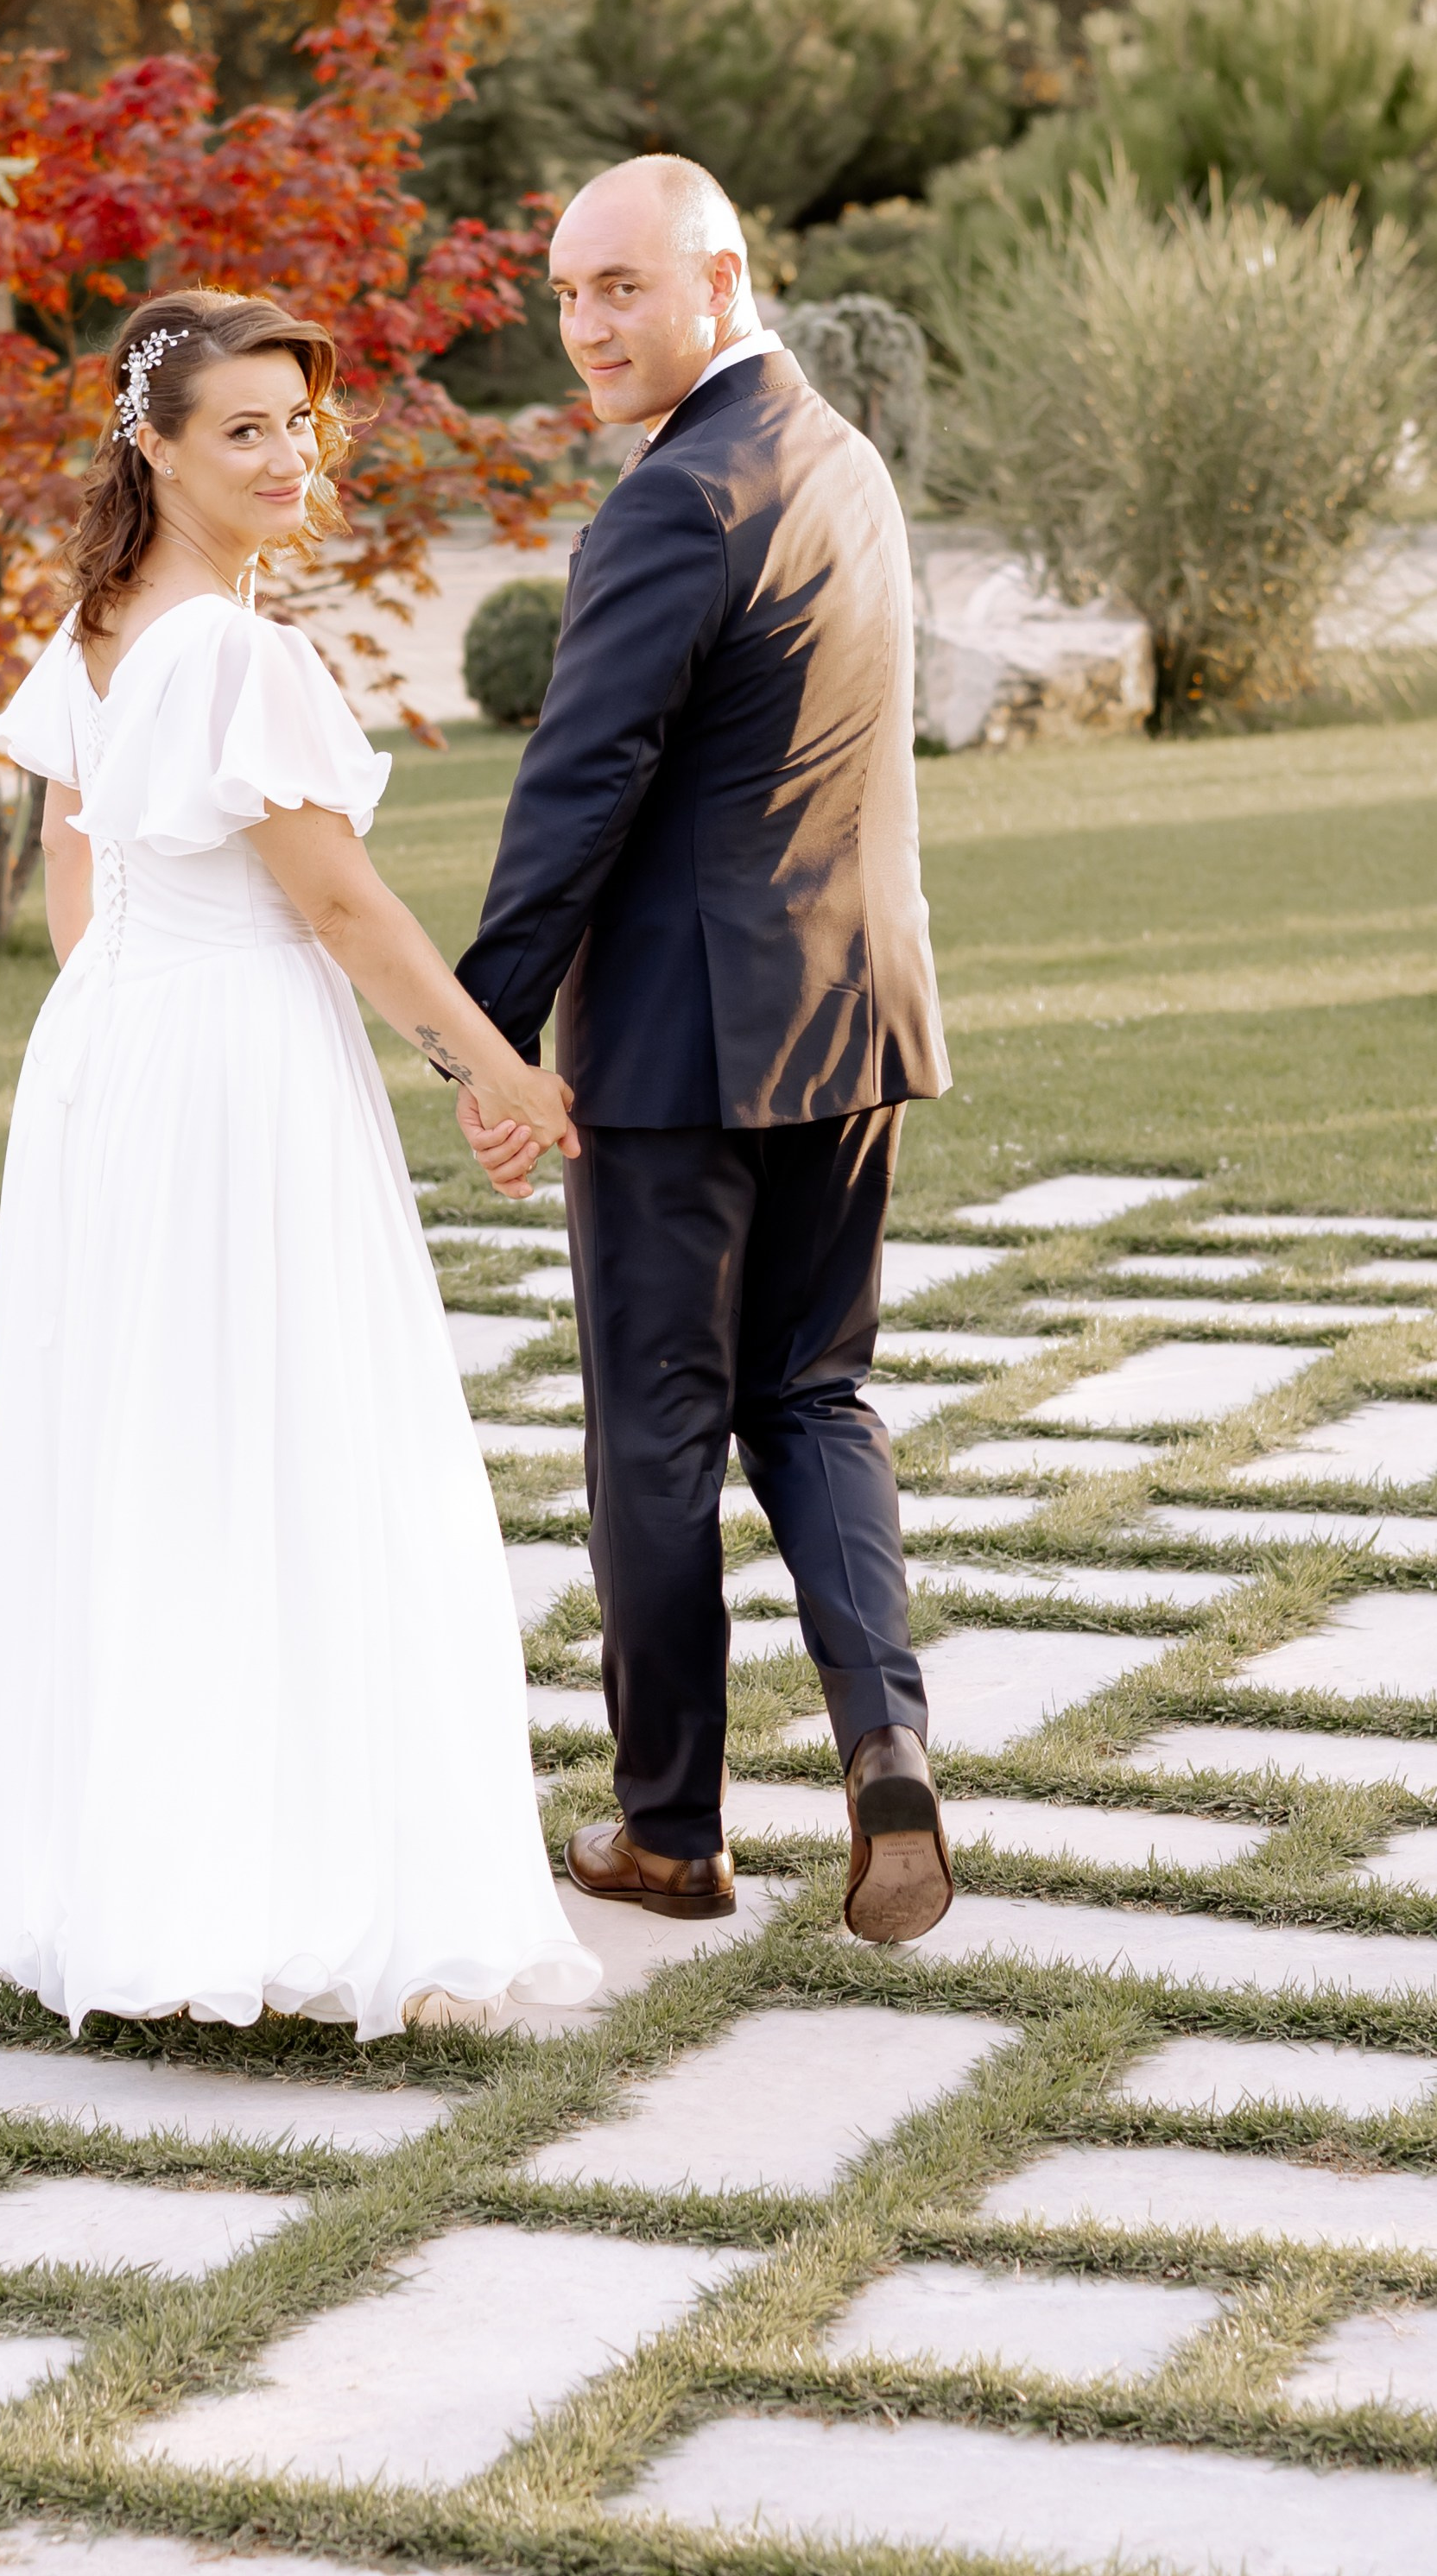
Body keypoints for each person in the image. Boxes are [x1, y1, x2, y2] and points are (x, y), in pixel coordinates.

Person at [0, 287, 599, 2037]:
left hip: (115, 1056)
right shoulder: (235, 649)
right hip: (230, 1062)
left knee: (156, 1444)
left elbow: (83, 871)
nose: (289, 453)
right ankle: (293, 1896)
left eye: (300, 420)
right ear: (152, 446)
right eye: (244, 426)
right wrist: (499, 1071)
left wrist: (124, 1010)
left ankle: (159, 1884)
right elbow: (334, 899)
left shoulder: (101, 625)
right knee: (292, 1433)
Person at [452, 155, 956, 1946]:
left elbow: (577, 779)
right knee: (813, 1395)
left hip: (682, 1049)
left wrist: (481, 1028)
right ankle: (884, 1738)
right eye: (569, 291)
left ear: (721, 277)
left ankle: (670, 1827)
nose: (585, 325)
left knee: (651, 1435)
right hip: (859, 1013)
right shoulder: (841, 457)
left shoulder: (680, 495)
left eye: (621, 290)